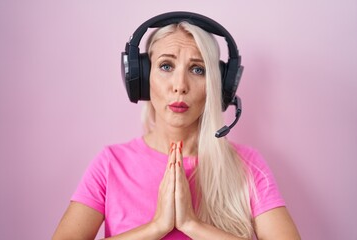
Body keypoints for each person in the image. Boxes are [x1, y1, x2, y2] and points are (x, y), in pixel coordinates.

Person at [52, 12, 300, 240]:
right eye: (166, 66)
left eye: (197, 69)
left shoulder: (247, 164)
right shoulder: (110, 163)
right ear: (141, 78)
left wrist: (193, 225)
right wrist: (157, 226)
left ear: (218, 85)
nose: (180, 85)